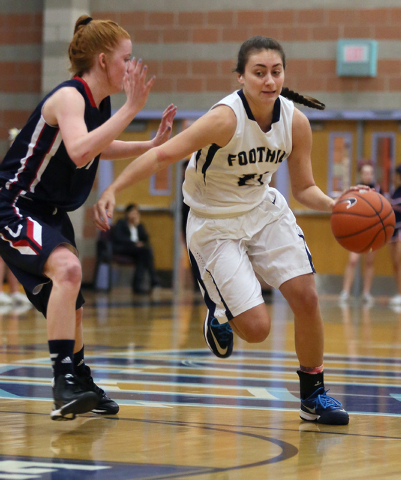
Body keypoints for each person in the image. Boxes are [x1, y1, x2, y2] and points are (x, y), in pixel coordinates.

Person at [94, 36, 368, 426]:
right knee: (256, 330)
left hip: (261, 209)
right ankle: (218, 313)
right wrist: (113, 190)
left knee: (307, 296)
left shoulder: (295, 122)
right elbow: (162, 154)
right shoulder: (225, 118)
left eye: (276, 72)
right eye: (259, 72)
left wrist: (337, 203)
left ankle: (313, 395)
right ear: (241, 77)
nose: (269, 80)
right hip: (212, 220)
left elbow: (304, 188)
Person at [0, 14, 176, 420]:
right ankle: (63, 381)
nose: (132, 67)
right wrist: (133, 109)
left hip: (50, 211)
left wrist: (148, 143)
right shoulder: (69, 97)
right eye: (127, 58)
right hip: (13, 203)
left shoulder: (100, 102)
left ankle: (80, 379)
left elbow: (99, 145)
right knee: (68, 269)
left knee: (72, 301)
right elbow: (80, 150)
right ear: (102, 60)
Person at [339, 163, 381, 304]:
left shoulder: (379, 190)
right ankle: (345, 291)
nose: (368, 175)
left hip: (373, 231)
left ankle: (366, 293)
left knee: (369, 262)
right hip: (358, 231)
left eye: (370, 173)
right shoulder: (355, 190)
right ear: (361, 175)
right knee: (353, 260)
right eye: (365, 173)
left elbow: (383, 211)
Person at [0, 128, 31, 307]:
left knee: (14, 252)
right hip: (4, 211)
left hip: (17, 213)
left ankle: (14, 291)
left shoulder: (28, 165)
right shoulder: (6, 166)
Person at [111, 203, 159, 294]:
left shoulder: (139, 226)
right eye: (132, 212)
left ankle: (138, 286)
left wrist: (137, 225)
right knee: (145, 252)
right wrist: (134, 243)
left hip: (137, 251)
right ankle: (153, 280)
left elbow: (146, 239)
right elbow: (118, 238)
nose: (134, 215)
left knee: (144, 253)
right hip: (124, 249)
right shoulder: (121, 223)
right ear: (127, 213)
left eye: (136, 213)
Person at [388, 165, 401, 306]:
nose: (393, 178)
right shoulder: (393, 192)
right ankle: (399, 292)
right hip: (393, 230)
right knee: (396, 264)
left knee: (399, 260)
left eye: (395, 175)